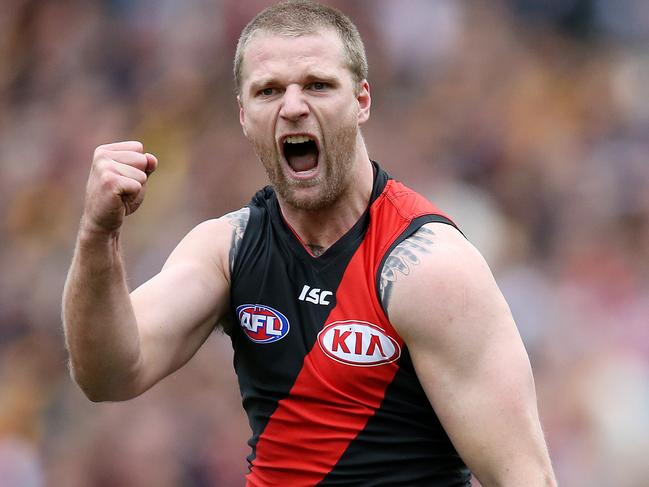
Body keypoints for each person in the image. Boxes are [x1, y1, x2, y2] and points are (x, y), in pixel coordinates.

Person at [62, 1, 557, 485]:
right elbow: (107, 374)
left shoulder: (427, 268)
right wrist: (97, 234)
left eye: (318, 86)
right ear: (243, 113)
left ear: (362, 100)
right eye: (268, 91)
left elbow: (524, 476)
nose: (293, 107)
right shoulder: (226, 249)